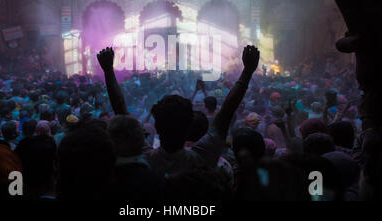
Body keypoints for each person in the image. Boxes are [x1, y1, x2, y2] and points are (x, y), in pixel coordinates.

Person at [96, 45, 260, 177]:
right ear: (189, 127)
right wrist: (247, 71)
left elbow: (121, 110)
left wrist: (108, 71)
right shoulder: (202, 157)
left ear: (157, 129)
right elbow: (227, 111)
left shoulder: (145, 159)